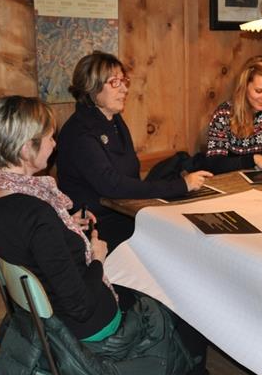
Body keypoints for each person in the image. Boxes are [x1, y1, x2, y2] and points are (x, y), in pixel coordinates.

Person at [0, 95, 236, 375]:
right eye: (49, 137)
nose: (55, 144)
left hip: (39, 322)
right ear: (26, 148)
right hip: (84, 326)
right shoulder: (37, 213)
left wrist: (68, 225)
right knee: (180, 295)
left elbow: (30, 244)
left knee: (142, 276)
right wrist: (98, 259)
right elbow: (80, 304)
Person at [56, 52, 213, 252]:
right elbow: (112, 185)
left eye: (124, 81)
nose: (124, 89)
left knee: (185, 230)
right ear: (92, 88)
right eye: (114, 82)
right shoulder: (79, 132)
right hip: (95, 226)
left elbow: (130, 177)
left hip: (125, 213)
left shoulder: (114, 120)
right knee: (172, 242)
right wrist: (181, 185)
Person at [204, 55, 262, 176]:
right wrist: (254, 159)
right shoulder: (223, 115)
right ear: (244, 86)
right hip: (234, 181)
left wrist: (244, 161)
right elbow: (215, 165)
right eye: (259, 91)